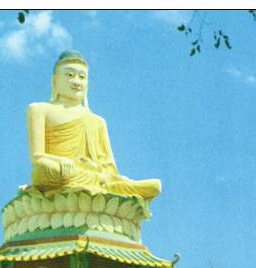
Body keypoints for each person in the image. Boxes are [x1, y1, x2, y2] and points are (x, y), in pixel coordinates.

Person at [27, 50, 161, 201]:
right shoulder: (39, 109)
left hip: (91, 174)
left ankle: (105, 187)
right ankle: (105, 189)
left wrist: (95, 168)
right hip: (59, 171)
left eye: (82, 77)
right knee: (45, 169)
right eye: (70, 75)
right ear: (56, 80)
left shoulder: (97, 121)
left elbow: (110, 167)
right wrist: (60, 161)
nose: (76, 82)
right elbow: (37, 157)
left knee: (154, 185)